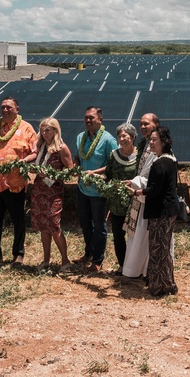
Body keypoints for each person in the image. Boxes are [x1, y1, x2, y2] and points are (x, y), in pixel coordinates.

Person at [0, 96, 38, 265]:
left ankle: (18, 254)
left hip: (15, 183)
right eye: (2, 107)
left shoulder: (26, 128)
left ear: (17, 109)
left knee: (18, 220)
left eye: (9, 107)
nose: (5, 110)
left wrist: (24, 161)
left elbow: (34, 152)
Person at [133, 124, 179, 297]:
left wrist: (137, 192)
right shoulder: (171, 159)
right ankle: (168, 284)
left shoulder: (160, 164)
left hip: (161, 212)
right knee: (164, 249)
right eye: (150, 140)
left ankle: (158, 287)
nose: (151, 143)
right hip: (168, 211)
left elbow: (154, 190)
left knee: (157, 249)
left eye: (154, 140)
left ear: (164, 141)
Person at [74, 105, 118, 273]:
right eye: (86, 117)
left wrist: (93, 172)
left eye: (92, 118)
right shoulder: (80, 137)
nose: (88, 120)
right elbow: (78, 157)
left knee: (99, 226)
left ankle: (98, 259)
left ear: (100, 119)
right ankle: (88, 253)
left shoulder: (108, 140)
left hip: (98, 191)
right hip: (82, 188)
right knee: (85, 224)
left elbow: (112, 165)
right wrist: (76, 167)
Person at [29, 117, 73, 271]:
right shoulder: (40, 146)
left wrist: (51, 175)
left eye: (48, 129)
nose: (44, 132)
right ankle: (46, 260)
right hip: (39, 190)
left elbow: (69, 170)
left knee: (54, 226)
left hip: (53, 192)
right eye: (42, 129)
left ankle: (65, 261)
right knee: (43, 226)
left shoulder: (61, 148)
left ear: (55, 131)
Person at [122, 112, 160, 279]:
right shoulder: (144, 144)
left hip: (148, 196)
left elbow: (152, 173)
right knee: (137, 237)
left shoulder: (156, 147)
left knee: (145, 237)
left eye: (147, 124)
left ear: (155, 125)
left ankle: (146, 270)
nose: (143, 127)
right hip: (139, 194)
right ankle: (135, 269)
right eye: (141, 124)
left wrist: (136, 184)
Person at [106, 122, 139, 274]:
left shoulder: (140, 156)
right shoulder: (114, 156)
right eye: (119, 136)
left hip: (136, 202)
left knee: (135, 235)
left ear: (132, 137)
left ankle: (135, 266)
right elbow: (108, 175)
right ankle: (123, 265)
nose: (122, 139)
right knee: (119, 236)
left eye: (125, 135)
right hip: (118, 203)